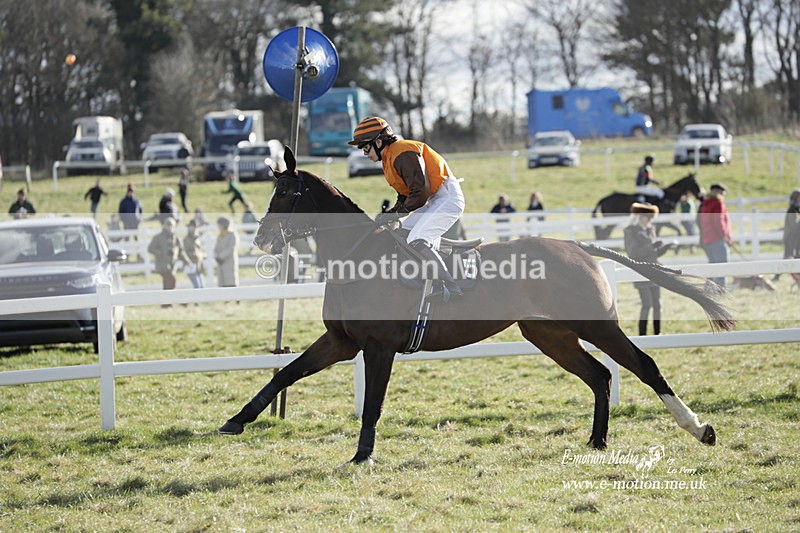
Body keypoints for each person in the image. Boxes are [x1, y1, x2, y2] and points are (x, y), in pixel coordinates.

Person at [348, 116, 466, 299]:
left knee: (417, 240)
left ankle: (451, 287)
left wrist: (394, 214)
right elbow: (405, 194)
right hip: (435, 199)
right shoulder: (390, 157)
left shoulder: (402, 152)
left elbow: (420, 192)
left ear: (379, 141)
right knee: (403, 234)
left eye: (365, 147)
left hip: (447, 198)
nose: (364, 153)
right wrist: (391, 213)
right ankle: (423, 280)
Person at [624, 203, 673, 336]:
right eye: (649, 217)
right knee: (647, 304)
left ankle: (658, 334)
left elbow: (654, 254)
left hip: (655, 270)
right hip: (641, 271)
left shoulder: (650, 229)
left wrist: (663, 248)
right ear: (640, 216)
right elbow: (633, 253)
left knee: (657, 304)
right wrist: (652, 246)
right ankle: (642, 335)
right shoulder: (630, 231)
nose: (651, 220)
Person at [697, 183, 731, 287]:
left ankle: (708, 289)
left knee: (712, 266)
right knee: (721, 267)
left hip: (707, 239)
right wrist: (724, 235)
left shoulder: (705, 203)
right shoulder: (717, 203)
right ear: (718, 192)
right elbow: (718, 221)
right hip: (717, 239)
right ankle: (721, 289)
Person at [147, 217, 188, 299]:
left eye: (171, 226)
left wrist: (187, 261)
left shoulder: (176, 238)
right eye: (168, 225)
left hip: (172, 265)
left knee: (168, 283)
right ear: (164, 226)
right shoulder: (158, 237)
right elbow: (150, 248)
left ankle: (167, 302)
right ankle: (169, 301)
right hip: (162, 264)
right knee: (172, 280)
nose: (169, 227)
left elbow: (181, 251)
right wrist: (160, 253)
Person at [214, 216, 239, 287]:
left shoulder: (232, 235)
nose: (218, 227)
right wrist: (216, 256)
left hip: (229, 262)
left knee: (231, 283)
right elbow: (216, 248)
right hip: (220, 263)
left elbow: (231, 248)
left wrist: (221, 256)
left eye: (219, 225)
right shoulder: (220, 236)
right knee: (222, 285)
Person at [183, 219, 205, 289]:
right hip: (191, 265)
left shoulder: (197, 239)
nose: (194, 228)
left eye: (195, 227)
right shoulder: (186, 240)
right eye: (192, 226)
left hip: (198, 265)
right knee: (197, 286)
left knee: (202, 286)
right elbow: (184, 252)